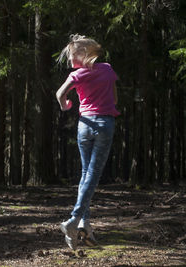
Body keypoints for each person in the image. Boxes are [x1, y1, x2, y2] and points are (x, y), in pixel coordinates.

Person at [56, 34, 119, 250]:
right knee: (91, 174)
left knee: (86, 174)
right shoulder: (108, 69)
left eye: (72, 55)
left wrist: (65, 105)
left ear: (84, 54)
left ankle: (84, 225)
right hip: (104, 124)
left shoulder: (77, 76)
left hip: (84, 125)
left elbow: (60, 94)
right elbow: (115, 98)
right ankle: (74, 221)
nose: (69, 60)